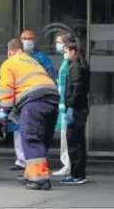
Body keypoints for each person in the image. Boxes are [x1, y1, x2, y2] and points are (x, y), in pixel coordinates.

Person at [0, 38, 60, 190]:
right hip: (52, 98)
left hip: (33, 101)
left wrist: (4, 111)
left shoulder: (8, 64)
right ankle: (31, 174)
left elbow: (7, 90)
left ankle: (40, 180)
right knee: (41, 139)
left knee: (31, 138)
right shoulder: (32, 61)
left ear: (10, 52)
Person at [9, 30, 58, 171]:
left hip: (34, 99)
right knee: (19, 130)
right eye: (24, 38)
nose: (27, 41)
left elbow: (50, 76)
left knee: (33, 133)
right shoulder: (15, 60)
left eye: (29, 38)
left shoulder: (41, 58)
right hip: (22, 98)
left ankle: (34, 165)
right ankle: (21, 161)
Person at [60, 35, 90, 185]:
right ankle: (79, 173)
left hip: (76, 109)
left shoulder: (76, 67)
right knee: (77, 142)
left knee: (74, 143)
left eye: (66, 49)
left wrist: (70, 106)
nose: (64, 53)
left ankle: (76, 174)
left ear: (73, 51)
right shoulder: (81, 65)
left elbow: (77, 89)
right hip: (80, 108)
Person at [52, 32, 72, 177]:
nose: (57, 45)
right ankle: (67, 164)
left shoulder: (69, 62)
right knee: (65, 137)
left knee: (67, 138)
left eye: (59, 42)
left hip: (66, 104)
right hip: (63, 104)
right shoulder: (66, 61)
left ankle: (67, 165)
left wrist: (64, 104)